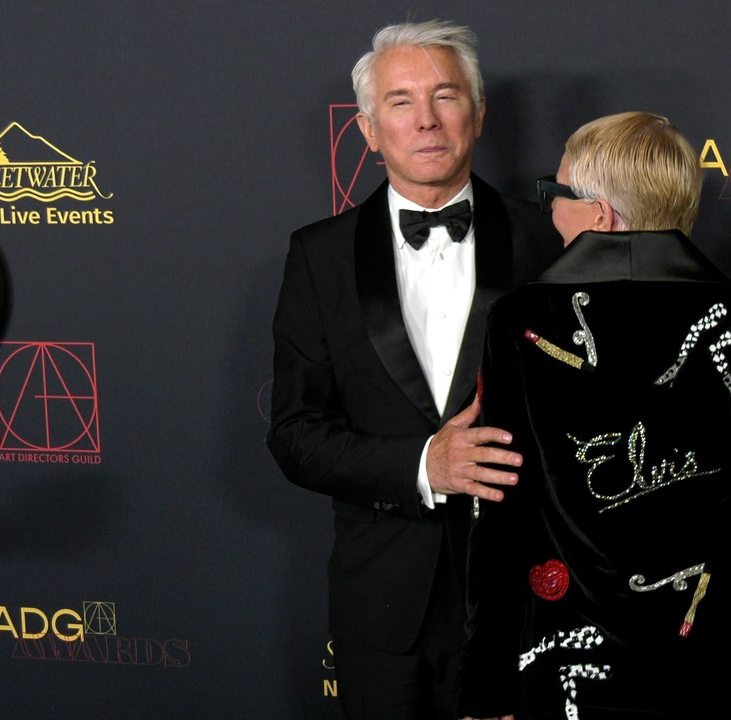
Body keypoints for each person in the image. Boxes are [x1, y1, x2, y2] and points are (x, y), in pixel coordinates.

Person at [459, 112, 731, 720]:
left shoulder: (520, 321)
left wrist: (487, 689)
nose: (548, 210)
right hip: (727, 665)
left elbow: (499, 516)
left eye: (556, 195)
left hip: (568, 677)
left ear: (600, 215)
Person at [266, 20, 562, 720]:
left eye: (445, 95)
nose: (425, 119)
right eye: (400, 101)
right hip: (382, 613)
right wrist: (427, 464)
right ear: (369, 130)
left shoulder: (549, 241)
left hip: (526, 598)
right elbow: (295, 433)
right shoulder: (319, 257)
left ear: (479, 115)